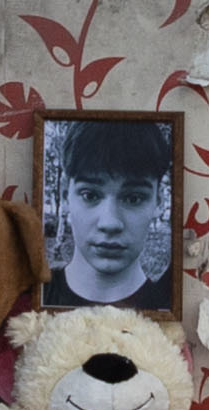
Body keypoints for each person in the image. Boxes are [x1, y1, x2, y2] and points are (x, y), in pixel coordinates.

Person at [43, 116, 177, 311]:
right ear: (65, 195)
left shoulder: (174, 310)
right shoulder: (27, 300)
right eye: (90, 195)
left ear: (159, 201)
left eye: (133, 198)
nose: (109, 223)